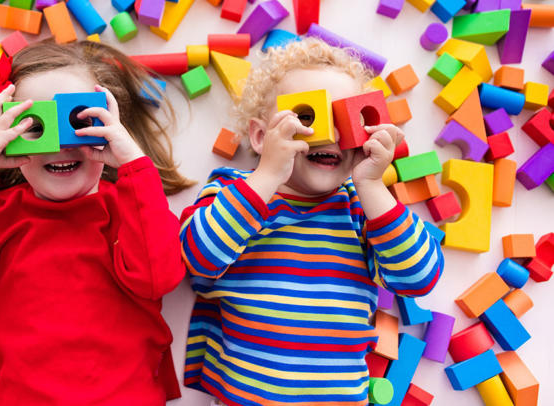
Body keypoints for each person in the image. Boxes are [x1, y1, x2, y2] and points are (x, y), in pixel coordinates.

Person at [0, 40, 193, 405]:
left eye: (80, 123)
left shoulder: (131, 206)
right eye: (35, 127)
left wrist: (133, 164)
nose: (59, 145)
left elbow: (158, 278)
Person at [180, 38, 444, 405]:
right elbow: (196, 257)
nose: (330, 135)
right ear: (260, 136)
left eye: (345, 120)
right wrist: (268, 175)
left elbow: (419, 278)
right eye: (307, 117)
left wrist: (371, 184)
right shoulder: (234, 191)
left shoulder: (362, 209)